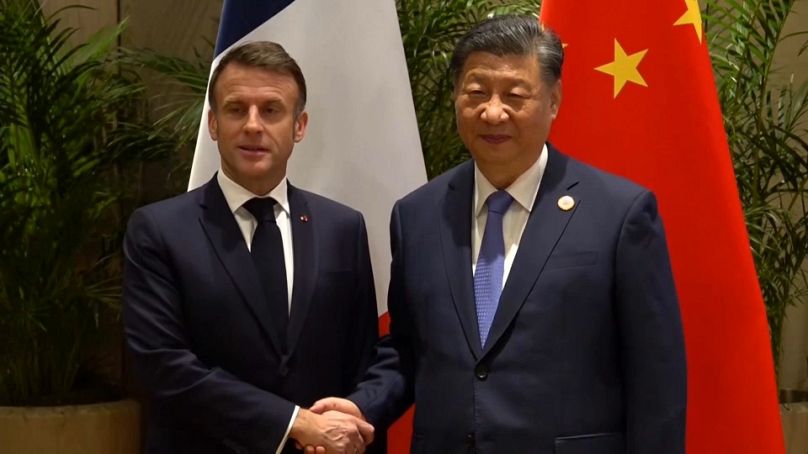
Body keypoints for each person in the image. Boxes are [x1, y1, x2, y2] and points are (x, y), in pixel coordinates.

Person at [313, 15, 686, 453]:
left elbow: (655, 378)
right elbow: (410, 350)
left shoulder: (619, 214)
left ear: (553, 101)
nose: (492, 112)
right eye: (476, 93)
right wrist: (363, 407)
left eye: (514, 95)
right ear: (456, 98)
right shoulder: (417, 215)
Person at [123, 41, 381, 454]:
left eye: (272, 110)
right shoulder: (158, 230)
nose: (253, 125)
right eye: (236, 109)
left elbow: (363, 355)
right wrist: (294, 424)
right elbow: (163, 366)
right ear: (213, 123)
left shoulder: (342, 227)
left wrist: (350, 417)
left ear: (300, 126)